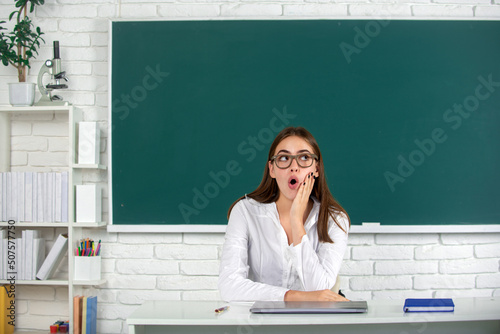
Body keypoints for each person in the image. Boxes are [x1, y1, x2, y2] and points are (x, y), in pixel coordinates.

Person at [218, 126, 350, 302]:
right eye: (284, 158)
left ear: (316, 169)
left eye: (304, 158)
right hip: (260, 323)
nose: (294, 167)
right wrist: (291, 296)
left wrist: (296, 221)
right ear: (272, 169)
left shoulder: (334, 219)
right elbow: (229, 286)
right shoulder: (245, 212)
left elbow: (319, 291)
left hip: (313, 323)